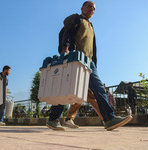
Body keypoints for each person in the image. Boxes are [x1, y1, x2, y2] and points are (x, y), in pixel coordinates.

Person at [46, 1, 132, 131]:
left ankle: (109, 119)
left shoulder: (91, 26)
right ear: (82, 8)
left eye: (94, 8)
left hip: (89, 62)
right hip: (75, 59)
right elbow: (67, 32)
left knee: (99, 89)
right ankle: (53, 119)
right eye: (89, 6)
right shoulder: (77, 18)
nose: (92, 9)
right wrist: (65, 49)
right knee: (65, 89)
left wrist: (94, 64)